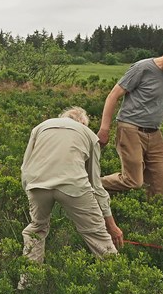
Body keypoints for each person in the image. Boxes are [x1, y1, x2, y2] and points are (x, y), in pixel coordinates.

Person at [21, 107, 123, 275]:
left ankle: (29, 281)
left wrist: (29, 191)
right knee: (97, 234)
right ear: (83, 123)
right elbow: (96, 185)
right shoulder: (89, 134)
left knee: (36, 229)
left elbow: (25, 167)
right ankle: (119, 282)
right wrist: (111, 225)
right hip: (73, 185)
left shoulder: (40, 127)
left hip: (37, 183)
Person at [98, 39, 163, 197]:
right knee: (133, 180)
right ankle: (88, 185)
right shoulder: (142, 68)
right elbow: (113, 96)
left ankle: (150, 218)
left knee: (162, 184)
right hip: (130, 128)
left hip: (154, 132)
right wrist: (104, 129)